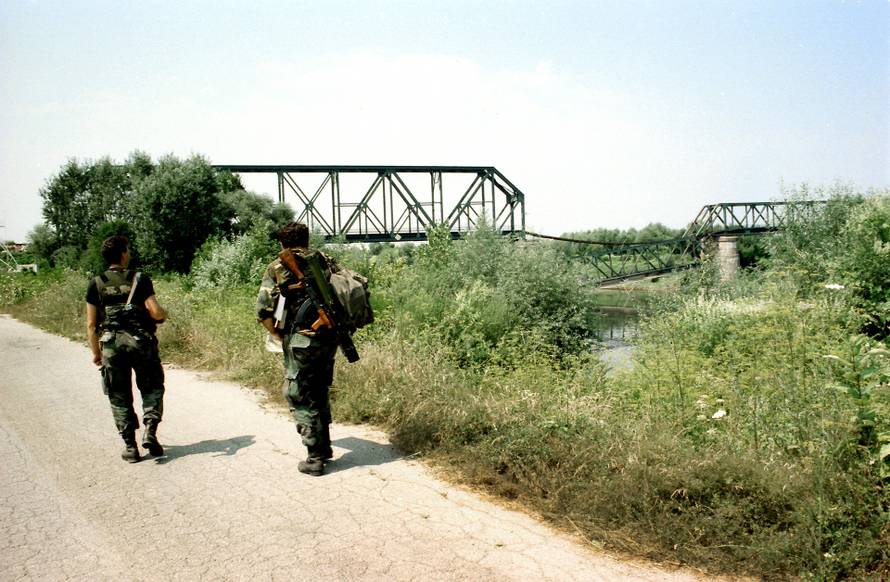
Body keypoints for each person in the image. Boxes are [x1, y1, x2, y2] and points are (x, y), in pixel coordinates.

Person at [256, 222, 337, 476]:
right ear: (307, 240)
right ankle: (324, 446)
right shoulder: (325, 260)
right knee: (319, 389)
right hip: (328, 338)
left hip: (300, 339)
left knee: (299, 393)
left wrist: (277, 334)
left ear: (282, 243)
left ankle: (314, 457)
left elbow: (263, 310)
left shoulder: (277, 267)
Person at [86, 235, 168, 463]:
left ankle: (130, 447)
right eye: (128, 250)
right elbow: (155, 312)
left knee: (118, 395)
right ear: (123, 254)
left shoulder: (96, 283)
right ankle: (150, 431)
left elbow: (91, 324)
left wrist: (96, 353)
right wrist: (164, 313)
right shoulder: (139, 279)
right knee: (151, 387)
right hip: (141, 344)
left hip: (112, 347)